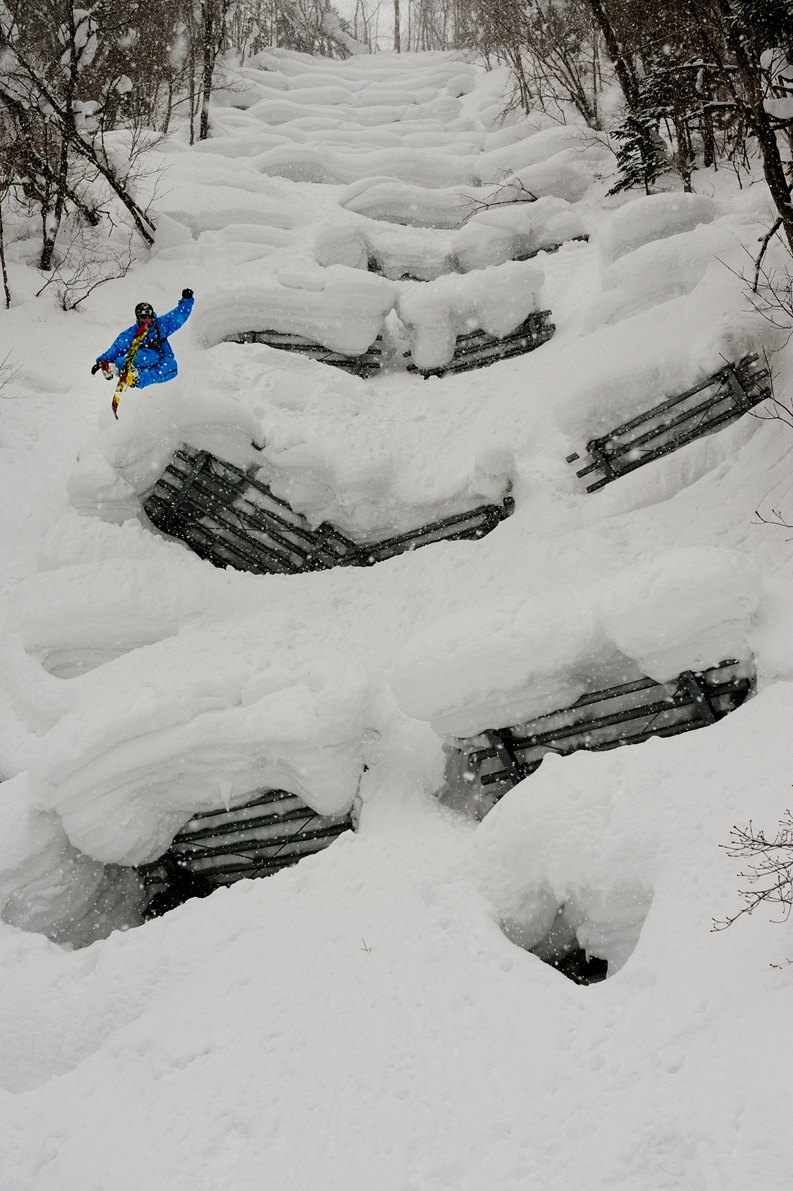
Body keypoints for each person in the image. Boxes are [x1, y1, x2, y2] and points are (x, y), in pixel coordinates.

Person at [92, 289, 194, 391]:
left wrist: (187, 300)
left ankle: (136, 378)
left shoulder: (162, 325)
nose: (146, 322)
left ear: (152, 317)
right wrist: (103, 360)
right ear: (138, 319)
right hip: (141, 358)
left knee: (172, 368)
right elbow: (118, 347)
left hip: (163, 357)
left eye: (148, 319)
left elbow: (179, 315)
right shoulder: (132, 333)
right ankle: (113, 368)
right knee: (144, 356)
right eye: (142, 320)